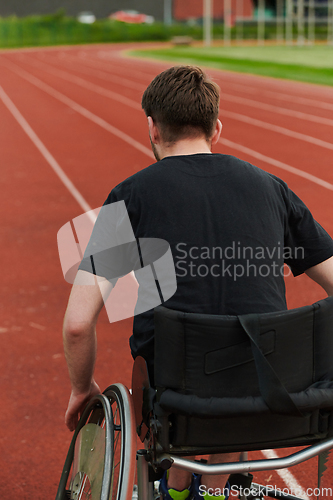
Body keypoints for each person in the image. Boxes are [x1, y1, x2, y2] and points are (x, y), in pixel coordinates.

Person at [62, 66, 333, 500]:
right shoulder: (272, 188)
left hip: (177, 403)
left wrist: (81, 389)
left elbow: (78, 324)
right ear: (217, 129)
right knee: (242, 354)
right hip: (277, 396)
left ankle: (179, 485)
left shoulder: (130, 197)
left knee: (186, 372)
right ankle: (227, 485)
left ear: (152, 129)